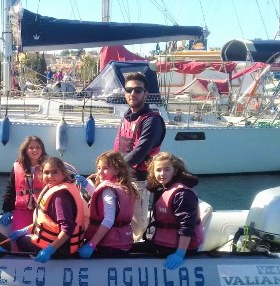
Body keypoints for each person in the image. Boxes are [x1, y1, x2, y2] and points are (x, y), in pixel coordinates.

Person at [114, 72, 166, 241]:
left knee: (139, 227)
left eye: (138, 90)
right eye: (129, 90)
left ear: (146, 93)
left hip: (139, 182)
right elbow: (117, 148)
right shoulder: (126, 118)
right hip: (122, 179)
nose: (132, 94)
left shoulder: (152, 121)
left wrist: (112, 169)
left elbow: (138, 153)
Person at [11, 157, 88, 263]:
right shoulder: (57, 187)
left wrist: (50, 250)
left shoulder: (60, 197)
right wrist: (24, 230)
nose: (50, 176)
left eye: (55, 172)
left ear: (63, 173)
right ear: (41, 174)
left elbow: (67, 229)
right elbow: (47, 223)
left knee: (21, 241)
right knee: (22, 236)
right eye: (46, 172)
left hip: (60, 249)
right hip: (64, 245)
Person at [143, 152, 204, 270]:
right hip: (162, 242)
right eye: (158, 170)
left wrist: (180, 253)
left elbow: (186, 225)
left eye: (167, 169)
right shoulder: (163, 189)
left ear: (174, 171)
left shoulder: (182, 194)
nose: (162, 174)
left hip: (176, 248)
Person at [75, 151, 139, 258]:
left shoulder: (108, 190)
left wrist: (91, 244)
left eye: (105, 168)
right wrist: (86, 185)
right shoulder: (124, 187)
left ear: (117, 170)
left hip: (109, 245)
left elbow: (109, 220)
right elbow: (99, 198)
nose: (100, 172)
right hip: (123, 241)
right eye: (99, 168)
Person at [0, 136, 49, 231]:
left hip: (42, 210)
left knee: (41, 237)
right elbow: (10, 189)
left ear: (42, 149)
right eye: (31, 147)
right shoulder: (17, 167)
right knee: (19, 238)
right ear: (25, 150)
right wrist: (7, 210)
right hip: (22, 209)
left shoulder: (48, 167)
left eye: (38, 147)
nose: (35, 150)